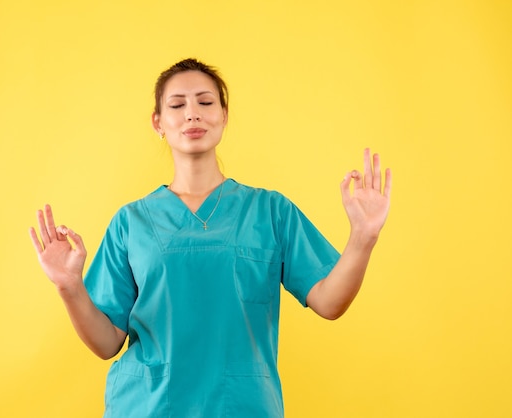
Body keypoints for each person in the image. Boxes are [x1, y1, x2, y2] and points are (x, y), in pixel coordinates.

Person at [29, 58, 391, 418]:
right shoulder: (132, 222)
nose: (192, 114)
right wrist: (69, 287)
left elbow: (330, 302)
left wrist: (363, 238)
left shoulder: (270, 211)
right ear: (158, 122)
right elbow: (107, 342)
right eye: (177, 105)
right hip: (147, 407)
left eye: (205, 102)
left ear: (224, 115)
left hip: (243, 406)